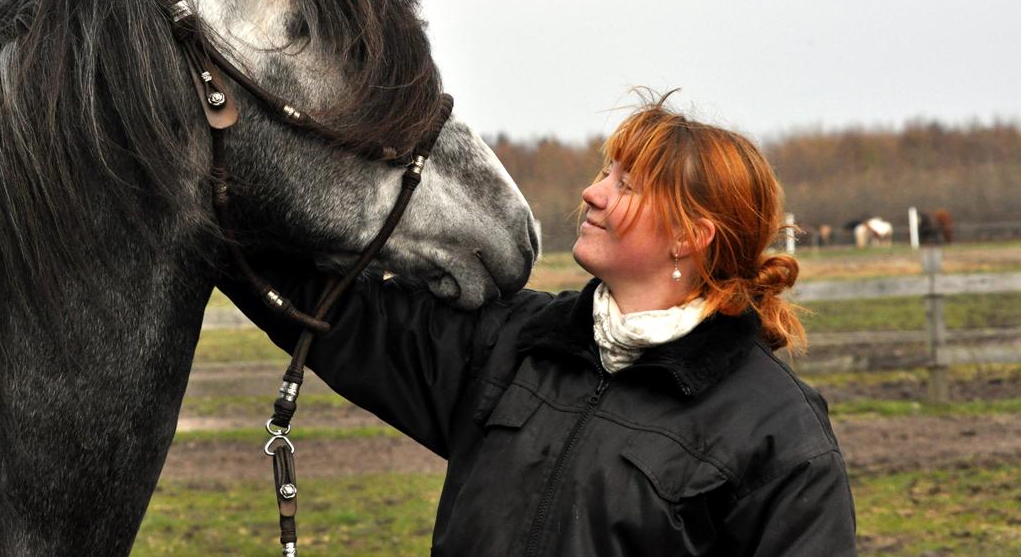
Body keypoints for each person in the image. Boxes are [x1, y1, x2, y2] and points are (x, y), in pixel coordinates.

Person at [232, 95, 858, 556]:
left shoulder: (779, 434)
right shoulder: (517, 340)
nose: (593, 192)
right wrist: (208, 206)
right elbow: (341, 313)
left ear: (690, 237)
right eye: (605, 172)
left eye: (627, 184)